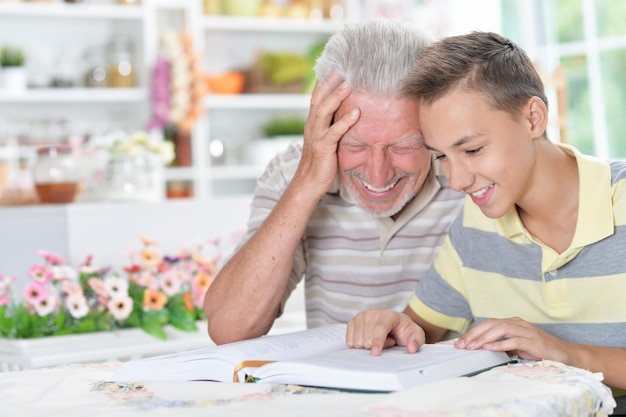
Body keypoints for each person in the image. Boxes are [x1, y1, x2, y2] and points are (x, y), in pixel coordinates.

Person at [346, 31, 626, 397]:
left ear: (533, 118)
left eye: (473, 150)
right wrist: (393, 325)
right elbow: (419, 329)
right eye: (442, 156)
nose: (457, 180)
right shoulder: (476, 222)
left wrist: (564, 354)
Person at [204, 19, 464, 345]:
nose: (378, 174)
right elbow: (229, 328)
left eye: (404, 146)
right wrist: (307, 182)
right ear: (322, 123)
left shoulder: (466, 172)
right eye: (354, 144)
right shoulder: (291, 173)